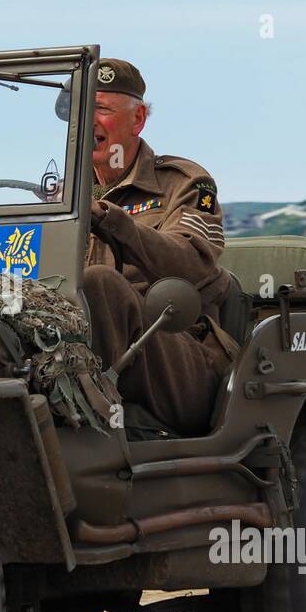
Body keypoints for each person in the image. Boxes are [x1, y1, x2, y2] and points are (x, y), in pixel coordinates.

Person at [81, 58, 234, 436]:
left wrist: (110, 220)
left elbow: (193, 263)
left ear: (138, 120)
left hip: (177, 354)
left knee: (101, 283)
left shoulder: (185, 183)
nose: (88, 122)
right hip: (82, 349)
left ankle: (92, 412)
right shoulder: (62, 194)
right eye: (82, 111)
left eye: (101, 109)